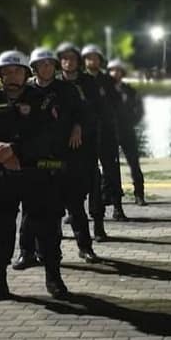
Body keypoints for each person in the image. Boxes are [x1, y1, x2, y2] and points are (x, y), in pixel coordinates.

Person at [0, 50, 71, 304]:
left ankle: (53, 277)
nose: (12, 76)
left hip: (37, 176)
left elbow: (51, 135)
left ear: (26, 73)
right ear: (0, 75)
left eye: (17, 71)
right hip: (1, 177)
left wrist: (15, 150)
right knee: (0, 231)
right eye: (7, 71)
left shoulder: (44, 101)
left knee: (47, 229)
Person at [15, 47, 89, 269]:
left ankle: (85, 247)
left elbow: (84, 113)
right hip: (35, 161)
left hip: (64, 156)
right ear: (34, 68)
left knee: (74, 204)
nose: (46, 68)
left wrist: (78, 127)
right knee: (30, 208)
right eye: (42, 64)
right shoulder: (25, 92)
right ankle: (26, 252)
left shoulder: (68, 89)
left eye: (50, 64)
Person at [57, 41, 117, 262]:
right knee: (56, 198)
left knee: (92, 187)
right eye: (63, 58)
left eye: (72, 58)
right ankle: (46, 246)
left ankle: (95, 231)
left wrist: (82, 126)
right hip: (60, 150)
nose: (68, 62)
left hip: (88, 145)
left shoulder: (89, 83)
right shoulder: (54, 84)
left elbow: (99, 111)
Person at [82, 44, 127, 223]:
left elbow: (117, 105)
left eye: (95, 57)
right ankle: (76, 210)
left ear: (100, 60)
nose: (92, 61)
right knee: (84, 173)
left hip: (107, 132)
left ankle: (117, 207)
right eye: (88, 57)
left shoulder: (107, 81)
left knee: (112, 171)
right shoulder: (81, 81)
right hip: (87, 133)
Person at [106, 59, 146, 206]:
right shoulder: (104, 91)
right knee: (109, 165)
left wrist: (132, 121)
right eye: (112, 70)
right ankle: (110, 194)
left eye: (118, 70)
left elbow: (139, 110)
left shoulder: (130, 90)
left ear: (122, 73)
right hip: (109, 132)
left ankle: (139, 194)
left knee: (134, 163)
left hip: (127, 130)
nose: (115, 73)